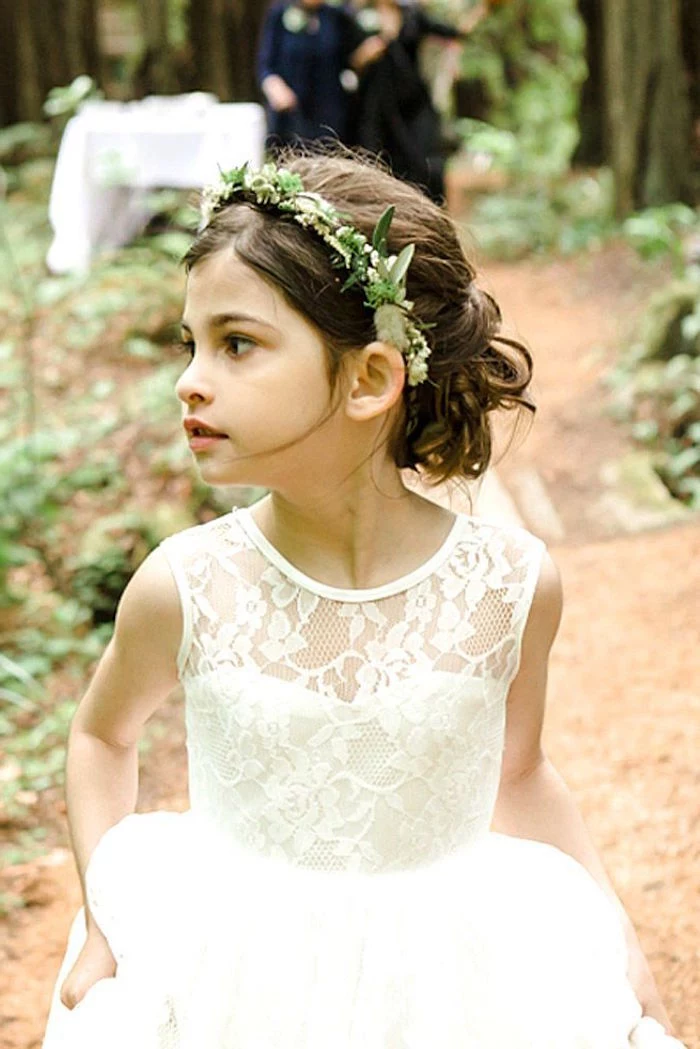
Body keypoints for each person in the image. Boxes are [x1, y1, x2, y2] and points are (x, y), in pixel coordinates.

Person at [42, 150, 686, 1049]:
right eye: (189, 344)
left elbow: (520, 769)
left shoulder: (509, 584)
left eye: (237, 343)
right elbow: (101, 733)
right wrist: (106, 916)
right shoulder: (184, 584)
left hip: (448, 991)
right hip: (236, 980)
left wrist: (620, 941)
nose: (190, 378)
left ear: (372, 379)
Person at [350, 0, 486, 201]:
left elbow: (457, 33)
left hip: (413, 105)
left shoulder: (413, 16)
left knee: (425, 163)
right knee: (377, 165)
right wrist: (364, 55)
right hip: (376, 109)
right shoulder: (357, 18)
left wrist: (484, 8)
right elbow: (344, 63)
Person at [257, 0, 384, 149]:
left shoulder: (335, 16)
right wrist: (274, 86)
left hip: (331, 118)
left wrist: (367, 53)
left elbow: (351, 59)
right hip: (291, 117)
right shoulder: (279, 13)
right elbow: (266, 64)